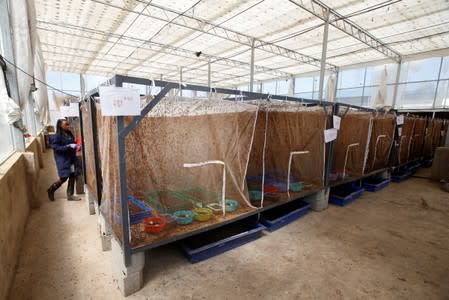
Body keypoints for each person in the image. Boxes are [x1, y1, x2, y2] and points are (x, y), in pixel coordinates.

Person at [47, 119, 81, 201]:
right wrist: (67, 146)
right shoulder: (57, 136)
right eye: (65, 124)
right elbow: (55, 148)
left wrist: (76, 145)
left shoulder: (69, 133)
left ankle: (70, 195)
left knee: (72, 175)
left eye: (67, 124)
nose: (67, 125)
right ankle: (51, 189)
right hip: (63, 159)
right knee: (64, 177)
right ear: (60, 126)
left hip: (71, 158)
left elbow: (72, 142)